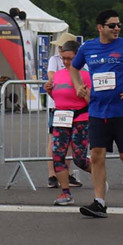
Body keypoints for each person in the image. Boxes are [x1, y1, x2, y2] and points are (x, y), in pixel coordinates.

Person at [69, 9, 123, 218]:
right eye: (112, 25)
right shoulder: (88, 47)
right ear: (100, 27)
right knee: (96, 155)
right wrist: (78, 86)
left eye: (119, 25)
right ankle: (100, 202)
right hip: (97, 110)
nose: (117, 28)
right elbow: (74, 68)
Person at [47, 40, 93, 207]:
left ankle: (99, 175)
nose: (66, 62)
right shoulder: (58, 75)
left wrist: (84, 94)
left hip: (80, 119)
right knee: (57, 156)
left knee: (79, 159)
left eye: (70, 58)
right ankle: (65, 193)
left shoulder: (86, 75)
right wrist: (49, 91)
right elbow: (59, 98)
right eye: (64, 58)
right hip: (61, 118)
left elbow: (91, 102)